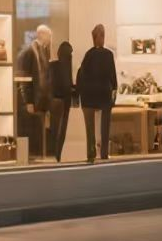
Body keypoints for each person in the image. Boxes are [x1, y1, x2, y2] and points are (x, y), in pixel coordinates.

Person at [77, 24, 117, 163]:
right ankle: (104, 153)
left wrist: (79, 93)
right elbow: (112, 76)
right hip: (104, 93)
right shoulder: (108, 54)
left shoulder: (88, 54)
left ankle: (91, 152)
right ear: (103, 37)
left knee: (90, 127)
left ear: (92, 38)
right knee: (105, 126)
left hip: (88, 95)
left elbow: (81, 75)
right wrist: (114, 90)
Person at [17, 25, 53, 158]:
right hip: (33, 99)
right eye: (49, 36)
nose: (50, 39)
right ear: (42, 35)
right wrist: (28, 101)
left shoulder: (42, 51)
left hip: (41, 99)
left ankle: (41, 153)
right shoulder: (29, 52)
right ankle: (33, 154)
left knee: (41, 130)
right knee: (33, 130)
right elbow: (24, 78)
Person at [48, 41, 75, 162]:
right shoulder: (66, 67)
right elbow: (66, 85)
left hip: (54, 100)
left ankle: (54, 153)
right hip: (63, 101)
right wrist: (73, 89)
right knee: (62, 130)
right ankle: (58, 153)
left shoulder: (52, 66)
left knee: (55, 129)